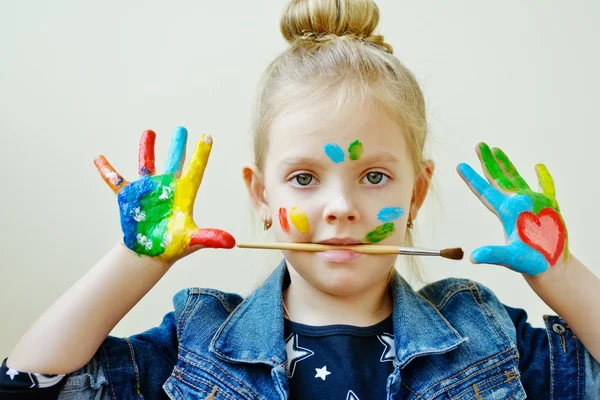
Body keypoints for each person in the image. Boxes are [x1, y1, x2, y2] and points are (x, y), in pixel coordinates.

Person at [2, 0, 599, 398]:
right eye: (305, 179)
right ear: (261, 195)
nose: (340, 207)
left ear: (416, 192)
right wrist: (140, 259)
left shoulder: (484, 333)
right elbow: (30, 382)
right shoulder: (199, 341)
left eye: (373, 178)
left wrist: (561, 273)